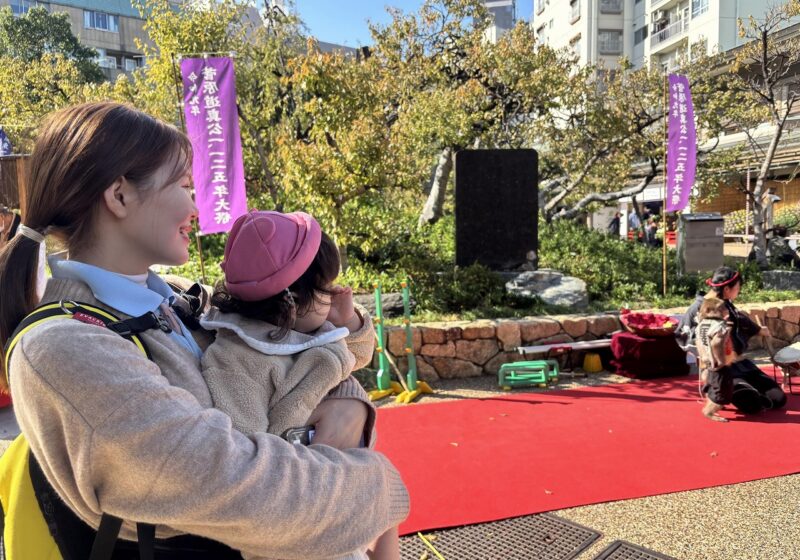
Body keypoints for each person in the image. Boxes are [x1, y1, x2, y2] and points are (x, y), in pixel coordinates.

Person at [0, 102, 408, 559]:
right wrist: (378, 481)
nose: (195, 205)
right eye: (183, 186)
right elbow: (235, 485)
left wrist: (349, 402)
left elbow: (291, 358)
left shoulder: (180, 300)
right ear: (119, 196)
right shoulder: (63, 346)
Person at [199, 210, 399, 559]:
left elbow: (360, 353)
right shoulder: (237, 358)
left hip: (340, 485)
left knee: (387, 510)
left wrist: (347, 319)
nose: (335, 293)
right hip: (301, 515)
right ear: (292, 299)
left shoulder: (308, 331)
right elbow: (246, 452)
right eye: (325, 289)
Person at [676, 266, 787, 414]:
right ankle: (716, 391)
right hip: (720, 369)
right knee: (752, 404)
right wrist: (708, 360)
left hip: (741, 364)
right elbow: (685, 336)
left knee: (778, 399)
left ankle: (743, 390)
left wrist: (759, 330)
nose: (739, 290)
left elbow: (740, 319)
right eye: (738, 287)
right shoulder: (699, 309)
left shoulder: (724, 303)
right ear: (727, 289)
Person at [695, 297, 735, 422]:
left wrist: (704, 359)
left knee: (712, 385)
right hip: (718, 364)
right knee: (722, 390)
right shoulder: (718, 325)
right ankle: (709, 411)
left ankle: (711, 402)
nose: (725, 310)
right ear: (709, 310)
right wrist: (721, 361)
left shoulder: (701, 324)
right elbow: (716, 344)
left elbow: (698, 342)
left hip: (708, 363)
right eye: (721, 308)